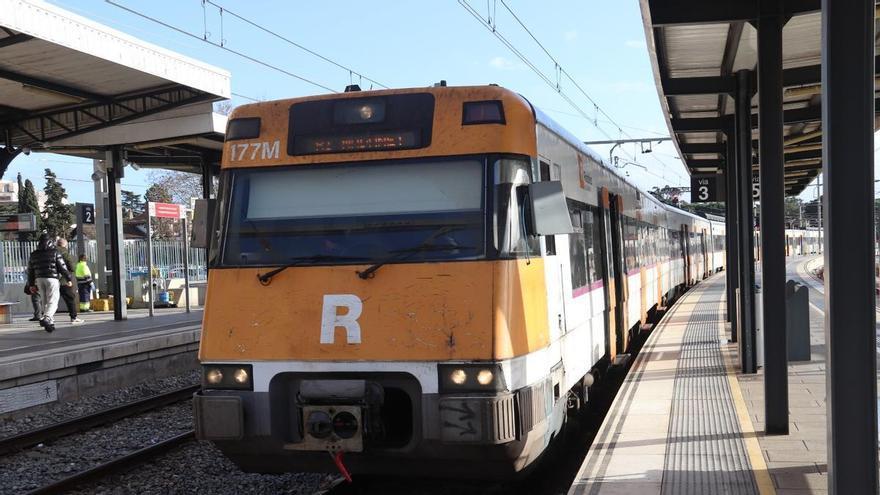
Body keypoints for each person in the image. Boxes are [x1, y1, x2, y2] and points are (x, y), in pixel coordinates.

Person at [26, 233, 72, 333]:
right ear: (50, 242)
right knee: (53, 301)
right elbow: (63, 267)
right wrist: (69, 279)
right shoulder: (55, 252)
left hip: (39, 279)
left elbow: (30, 271)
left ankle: (50, 323)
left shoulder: (34, 254)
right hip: (52, 279)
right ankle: (46, 318)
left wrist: (31, 284)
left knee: (45, 300)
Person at [55, 238, 84, 324]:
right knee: (70, 298)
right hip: (63, 280)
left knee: (50, 300)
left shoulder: (52, 251)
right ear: (65, 245)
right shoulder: (64, 252)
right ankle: (73, 317)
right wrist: (70, 275)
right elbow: (70, 265)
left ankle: (48, 318)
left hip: (51, 278)